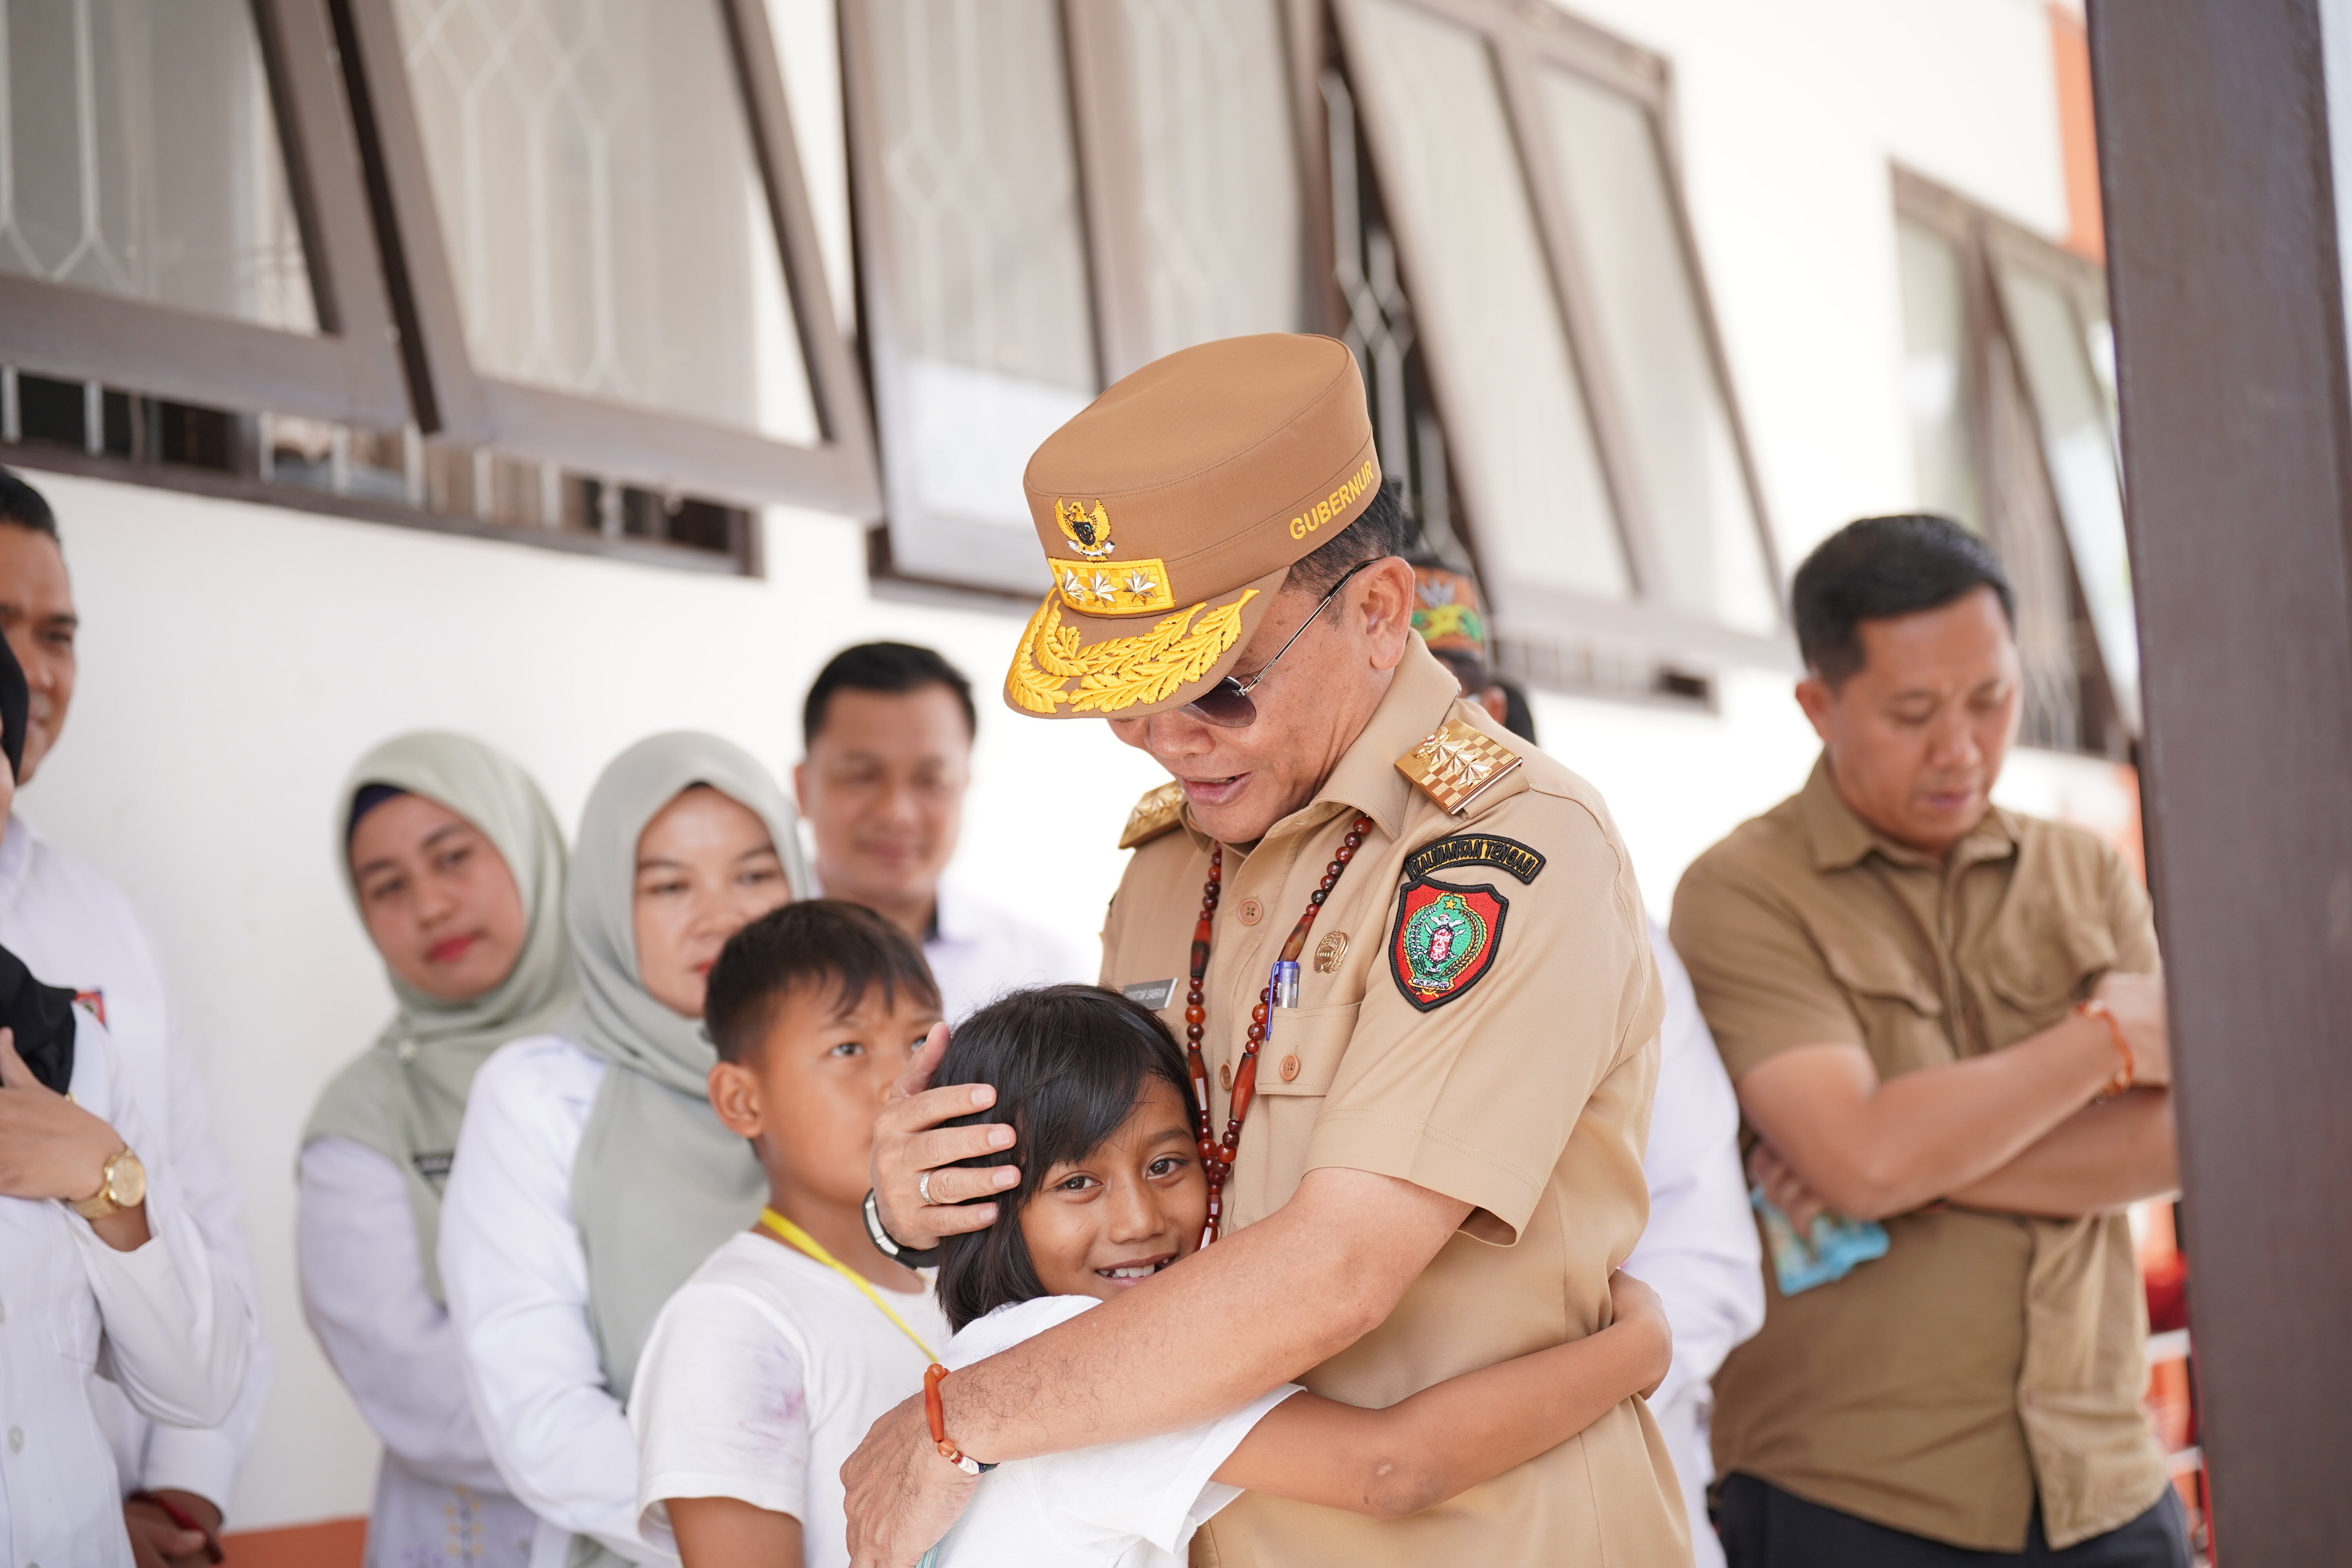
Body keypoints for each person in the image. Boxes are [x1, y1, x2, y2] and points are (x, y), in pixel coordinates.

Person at [846, 333, 1690, 1566]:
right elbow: (1102, 1202)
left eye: (1220, 686)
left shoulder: (1506, 847)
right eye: (1127, 698)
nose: (1167, 741)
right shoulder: (1170, 862)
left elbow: (1336, 1268)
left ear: (1378, 612)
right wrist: (909, 1217)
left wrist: (956, 1417)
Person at [1668, 515, 2187, 1565]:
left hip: (2107, 1485)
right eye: (1913, 713)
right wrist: (2102, 1042)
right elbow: (1858, 1158)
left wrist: (1915, 1168)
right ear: (1818, 706)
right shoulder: (1742, 894)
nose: (1962, 747)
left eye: (1992, 700)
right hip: (1856, 1499)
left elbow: (2180, 1145)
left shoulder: (2084, 875)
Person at [916, 984, 1674, 1568]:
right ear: (986, 1205)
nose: (1138, 1220)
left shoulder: (992, 1349)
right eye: (1078, 1184)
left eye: (1167, 1165)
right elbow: (1391, 1470)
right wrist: (1639, 1348)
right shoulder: (1061, 1356)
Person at [1405, 559, 1764, 1564]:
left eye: (1456, 698)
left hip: (1586, 1495)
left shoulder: (1614, 933)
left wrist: (1542, 1409)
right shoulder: (1253, 925)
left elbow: (1707, 1262)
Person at [440, 733, 808, 1568]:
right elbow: (544, 1416)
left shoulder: (872, 1071)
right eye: (670, 885)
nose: (722, 915)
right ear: (607, 902)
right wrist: (771, 1538)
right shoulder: (540, 1093)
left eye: (754, 874)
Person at [0, 466, 269, 1566]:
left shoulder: (99, 943)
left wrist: (181, 1497)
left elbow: (193, 1209)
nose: (33, 669)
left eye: (55, 632)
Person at [299, 734, 578, 1568]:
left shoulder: (664, 1048)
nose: (430, 904)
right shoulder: (364, 1116)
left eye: (453, 856)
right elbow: (419, 1392)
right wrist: (661, 1443)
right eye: (388, 887)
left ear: (527, 845)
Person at [629, 900, 949, 1568]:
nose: (901, 1083)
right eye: (848, 1048)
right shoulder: (732, 1321)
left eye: (921, 1041)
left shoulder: (963, 1274)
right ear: (743, 1101)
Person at [795, 643, 1089, 1020]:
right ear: (803, 788)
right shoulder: (720, 952)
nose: (897, 814)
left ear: (964, 786)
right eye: (862, 777)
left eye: (931, 780)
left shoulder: (1043, 976)